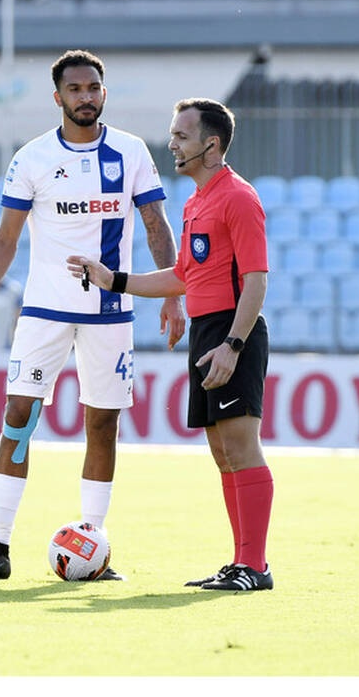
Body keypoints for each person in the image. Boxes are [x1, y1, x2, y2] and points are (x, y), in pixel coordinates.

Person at [0, 49, 185, 581]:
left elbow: (156, 225)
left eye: (94, 88)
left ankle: (94, 543)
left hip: (110, 313)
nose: (86, 97)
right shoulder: (32, 157)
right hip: (44, 311)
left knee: (102, 423)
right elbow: (7, 237)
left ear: (103, 93)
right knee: (18, 418)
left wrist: (173, 294)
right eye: (76, 89)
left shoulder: (130, 151)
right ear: (57, 97)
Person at [67, 97, 274, 591]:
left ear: (211, 144)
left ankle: (255, 566)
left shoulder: (239, 198)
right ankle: (241, 561)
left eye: (181, 136)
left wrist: (233, 345)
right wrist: (113, 279)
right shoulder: (197, 200)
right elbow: (184, 275)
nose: (172, 144)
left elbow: (257, 280)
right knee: (222, 452)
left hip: (231, 331)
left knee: (243, 448)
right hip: (206, 332)